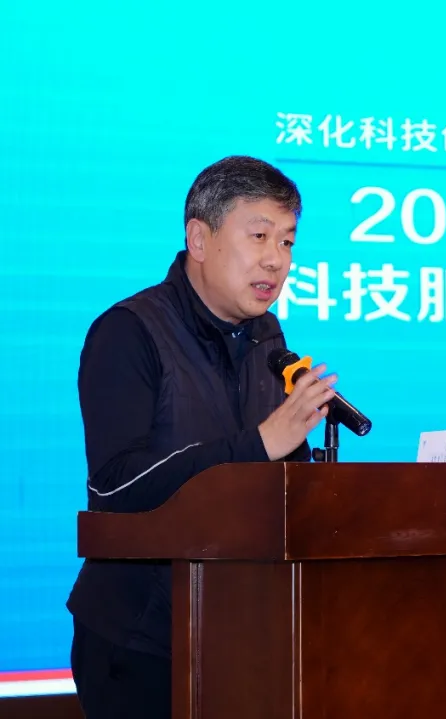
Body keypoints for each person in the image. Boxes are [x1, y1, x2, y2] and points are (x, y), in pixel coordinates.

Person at [65, 156, 338, 718]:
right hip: (140, 643)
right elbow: (115, 488)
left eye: (287, 242)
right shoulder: (129, 332)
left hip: (240, 631)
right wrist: (259, 444)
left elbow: (269, 486)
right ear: (199, 238)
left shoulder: (268, 339)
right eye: (259, 236)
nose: (277, 260)